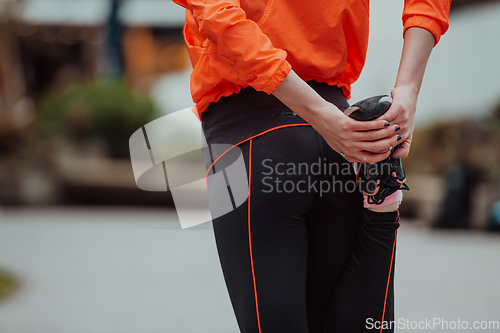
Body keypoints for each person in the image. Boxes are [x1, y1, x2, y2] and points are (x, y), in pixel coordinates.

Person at [173, 0, 451, 332]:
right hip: (344, 138)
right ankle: (383, 205)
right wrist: (407, 89)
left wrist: (319, 115)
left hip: (253, 139)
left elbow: (220, 18)